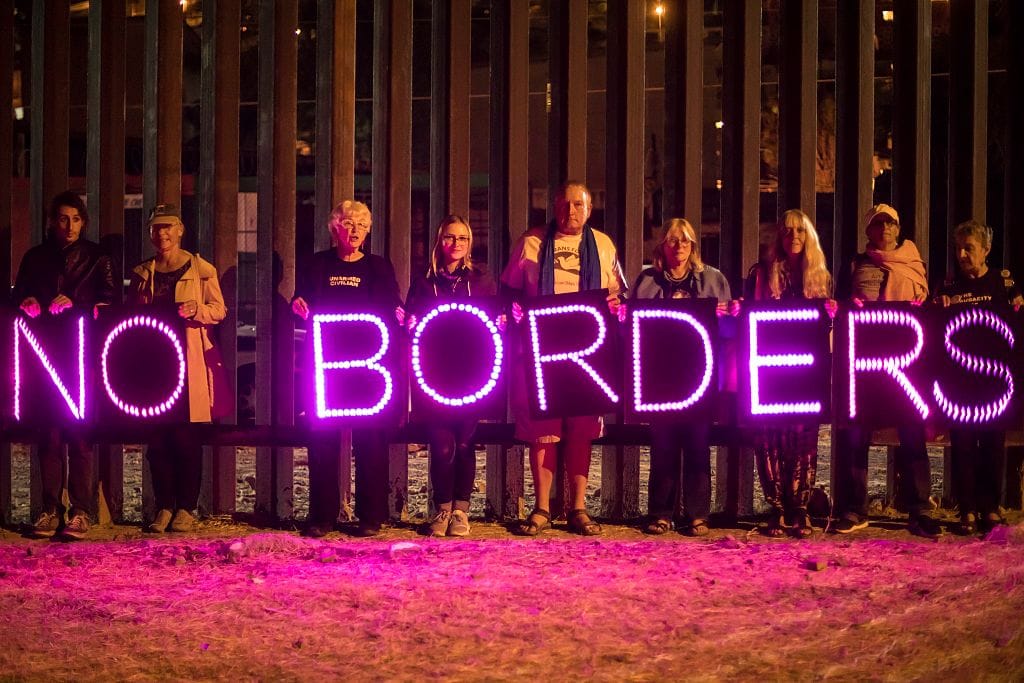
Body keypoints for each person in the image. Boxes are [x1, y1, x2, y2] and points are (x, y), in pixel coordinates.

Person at [501, 181, 626, 536]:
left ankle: (578, 507)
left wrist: (617, 307)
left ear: (589, 209)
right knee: (543, 431)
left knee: (582, 429)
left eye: (578, 205)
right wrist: (513, 311)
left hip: (589, 351)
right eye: (564, 204)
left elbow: (617, 294)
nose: (570, 211)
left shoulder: (602, 245)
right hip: (540, 351)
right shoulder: (531, 243)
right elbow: (509, 290)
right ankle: (541, 508)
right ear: (554, 206)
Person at [292, 200, 403, 538]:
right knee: (322, 442)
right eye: (348, 223)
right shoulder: (315, 265)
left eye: (361, 225)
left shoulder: (379, 268)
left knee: (370, 442)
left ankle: (371, 516)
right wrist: (297, 306)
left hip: (368, 370)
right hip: (327, 371)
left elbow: (393, 307)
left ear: (367, 231)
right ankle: (322, 516)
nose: (354, 230)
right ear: (334, 227)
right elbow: (301, 303)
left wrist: (400, 314)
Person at [832, 203, 943, 538]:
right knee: (855, 434)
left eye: (890, 223)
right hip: (863, 364)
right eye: (878, 224)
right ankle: (854, 508)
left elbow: (927, 309)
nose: (885, 229)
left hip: (905, 364)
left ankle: (919, 509)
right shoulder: (854, 264)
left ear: (899, 228)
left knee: (911, 433)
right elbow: (838, 307)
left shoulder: (914, 263)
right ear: (869, 230)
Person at [14, 191, 114, 540]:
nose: (69, 226)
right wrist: (26, 300)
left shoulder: (97, 257)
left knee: (80, 436)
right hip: (43, 355)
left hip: (82, 357)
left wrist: (77, 302)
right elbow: (18, 296)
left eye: (75, 219)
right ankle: (50, 509)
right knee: (49, 435)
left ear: (83, 221)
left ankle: (81, 512)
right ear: (52, 221)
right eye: (62, 218)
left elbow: (110, 302)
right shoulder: (35, 257)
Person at [130, 203, 229, 533]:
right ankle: (164, 506)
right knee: (157, 441)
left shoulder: (201, 269)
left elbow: (219, 310)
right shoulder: (143, 273)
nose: (162, 233)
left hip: (189, 362)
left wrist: (197, 309)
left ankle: (186, 507)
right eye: (156, 227)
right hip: (154, 365)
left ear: (180, 229)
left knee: (186, 438)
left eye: (168, 226)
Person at [631, 218, 730, 536]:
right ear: (663, 245)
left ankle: (698, 514)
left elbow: (729, 330)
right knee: (662, 446)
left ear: (694, 245)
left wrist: (727, 316)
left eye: (686, 239)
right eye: (673, 239)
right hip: (659, 379)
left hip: (700, 376)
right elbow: (632, 328)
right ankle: (661, 512)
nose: (680, 245)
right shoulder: (647, 281)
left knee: (699, 444)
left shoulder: (713, 280)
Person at [744, 209, 834, 538]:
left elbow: (825, 328)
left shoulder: (820, 278)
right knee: (768, 438)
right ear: (779, 237)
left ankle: (800, 507)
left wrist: (832, 314)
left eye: (799, 231)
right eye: (787, 231)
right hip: (768, 368)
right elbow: (748, 318)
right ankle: (776, 506)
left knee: (805, 438)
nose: (793, 237)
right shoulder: (761, 274)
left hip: (806, 370)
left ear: (808, 236)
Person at [405, 216, 497, 537]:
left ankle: (461, 511)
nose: (455, 244)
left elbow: (495, 325)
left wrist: (503, 322)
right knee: (442, 446)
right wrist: (409, 323)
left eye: (462, 238)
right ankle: (442, 510)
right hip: (435, 378)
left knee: (465, 443)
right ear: (439, 241)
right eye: (449, 238)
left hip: (472, 378)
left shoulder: (482, 281)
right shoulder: (424, 283)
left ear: (469, 243)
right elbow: (411, 324)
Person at [935, 220, 1023, 535]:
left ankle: (991, 506)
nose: (962, 254)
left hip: (994, 384)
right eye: (958, 248)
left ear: (985, 250)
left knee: (993, 443)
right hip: (960, 383)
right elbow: (934, 322)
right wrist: (938, 304)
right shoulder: (949, 286)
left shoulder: (1004, 284)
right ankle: (967, 508)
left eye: (969, 248)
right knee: (962, 444)